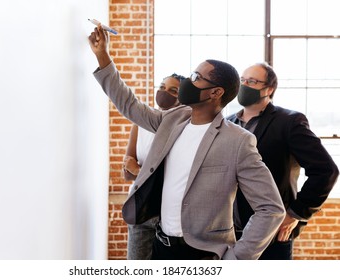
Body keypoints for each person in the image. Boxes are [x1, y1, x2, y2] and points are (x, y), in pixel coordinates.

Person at [88, 25, 285, 260]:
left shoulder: (238, 141)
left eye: (196, 78)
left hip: (203, 253)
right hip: (161, 246)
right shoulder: (172, 120)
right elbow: (129, 105)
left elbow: (271, 209)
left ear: (215, 93)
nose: (188, 82)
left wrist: (237, 259)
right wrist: (103, 56)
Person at [227, 62, 339, 260]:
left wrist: (296, 214)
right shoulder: (228, 123)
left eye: (252, 81)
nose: (244, 85)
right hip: (228, 232)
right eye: (242, 80)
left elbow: (326, 171)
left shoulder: (289, 121)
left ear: (269, 89)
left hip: (270, 232)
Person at [123, 73, 185, 260]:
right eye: (162, 87)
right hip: (141, 208)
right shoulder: (140, 123)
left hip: (171, 213)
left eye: (173, 90)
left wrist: (137, 170)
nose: (164, 92)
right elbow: (126, 172)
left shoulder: (184, 127)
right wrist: (133, 171)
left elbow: (174, 175)